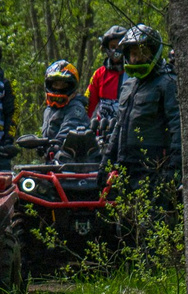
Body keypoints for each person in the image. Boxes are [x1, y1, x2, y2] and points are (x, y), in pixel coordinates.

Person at [98, 24, 179, 183]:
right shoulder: (128, 86)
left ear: (153, 52)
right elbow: (118, 127)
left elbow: (177, 127)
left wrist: (174, 169)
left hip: (155, 168)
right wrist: (105, 165)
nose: (136, 58)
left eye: (142, 52)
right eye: (133, 53)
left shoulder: (167, 83)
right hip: (127, 167)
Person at [38, 59, 95, 152]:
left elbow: (68, 132)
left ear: (71, 86)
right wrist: (41, 145)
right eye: (56, 84)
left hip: (73, 161)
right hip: (54, 161)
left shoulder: (76, 108)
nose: (58, 88)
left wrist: (56, 145)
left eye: (63, 84)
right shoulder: (49, 109)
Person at [85, 24, 129, 120]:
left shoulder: (134, 73)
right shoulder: (99, 74)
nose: (116, 50)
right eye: (113, 46)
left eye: (120, 47)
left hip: (126, 130)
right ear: (106, 48)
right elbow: (88, 104)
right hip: (102, 130)